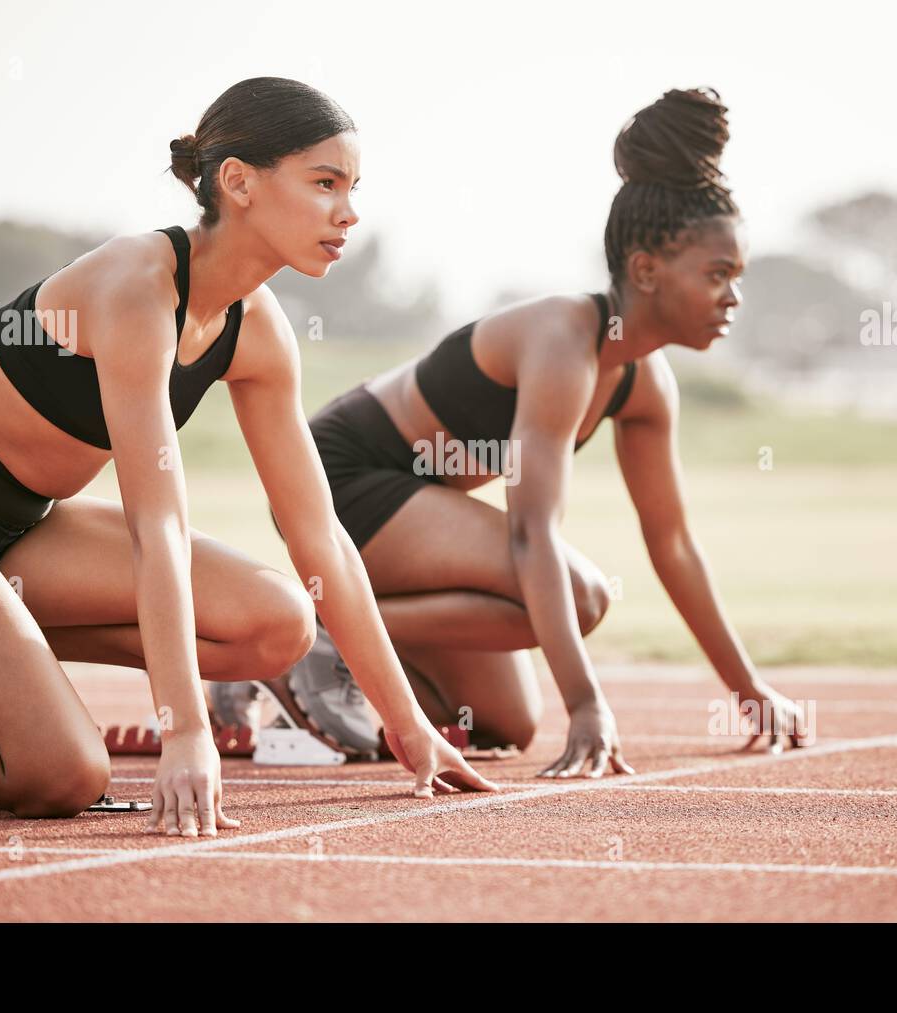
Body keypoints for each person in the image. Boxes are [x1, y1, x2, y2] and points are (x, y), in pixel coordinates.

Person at [0, 77, 496, 836]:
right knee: (60, 772)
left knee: (278, 623)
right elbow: (157, 528)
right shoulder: (136, 286)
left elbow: (320, 537)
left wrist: (408, 727)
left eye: (354, 187)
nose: (349, 211)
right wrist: (185, 733)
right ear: (238, 182)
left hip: (13, 527)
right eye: (325, 183)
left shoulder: (259, 331)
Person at [267, 87, 807, 774]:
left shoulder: (646, 384)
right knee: (580, 596)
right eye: (717, 274)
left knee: (503, 723)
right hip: (339, 479)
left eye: (738, 275)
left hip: (415, 505)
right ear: (645, 269)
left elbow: (672, 543)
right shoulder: (563, 339)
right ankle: (307, 636)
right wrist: (586, 703)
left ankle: (311, 649)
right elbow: (530, 534)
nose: (734, 296)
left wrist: (747, 689)